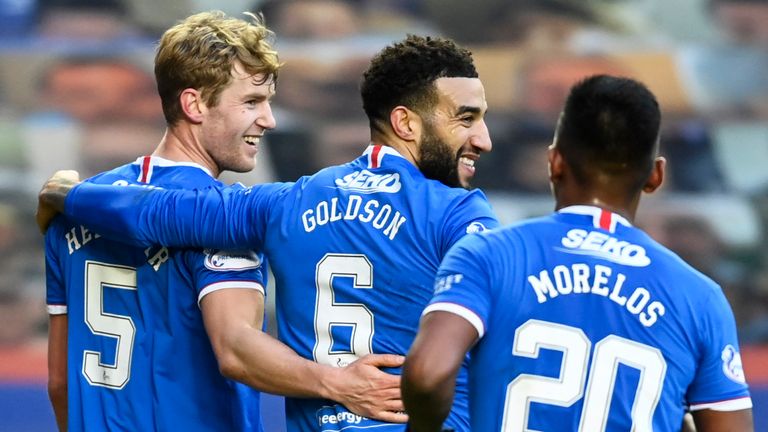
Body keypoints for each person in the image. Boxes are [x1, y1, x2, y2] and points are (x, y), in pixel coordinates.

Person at [38, 34, 498, 431]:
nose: (484, 138)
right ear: (406, 123)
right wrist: (339, 382)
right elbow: (235, 348)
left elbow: (153, 214)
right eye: (466, 118)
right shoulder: (458, 212)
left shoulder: (281, 204)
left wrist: (67, 195)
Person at [400, 74, 754, 431]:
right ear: (656, 176)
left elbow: (428, 375)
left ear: (554, 162)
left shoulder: (488, 254)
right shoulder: (700, 296)